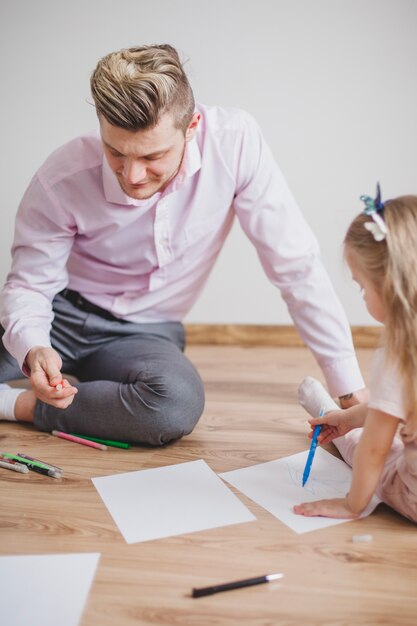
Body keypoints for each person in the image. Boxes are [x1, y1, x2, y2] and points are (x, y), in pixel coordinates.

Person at [0, 44, 366, 445]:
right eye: (115, 152)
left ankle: (15, 405)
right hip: (60, 312)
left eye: (152, 155)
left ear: (192, 126)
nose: (133, 175)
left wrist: (349, 390)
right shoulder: (62, 175)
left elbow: (295, 266)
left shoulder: (235, 144)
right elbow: (29, 286)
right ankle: (73, 390)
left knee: (173, 403)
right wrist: (35, 347)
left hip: (146, 332)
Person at [295, 187, 417, 523]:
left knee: (375, 445)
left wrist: (352, 504)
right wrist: (349, 419)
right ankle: (342, 417)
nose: (362, 297)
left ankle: (328, 410)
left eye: (362, 286)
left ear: (390, 286)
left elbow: (376, 448)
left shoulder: (400, 357)